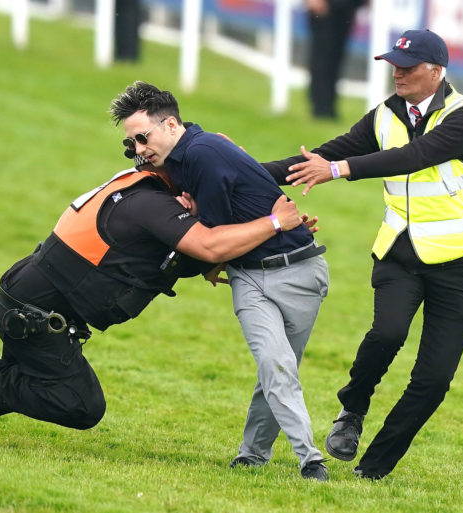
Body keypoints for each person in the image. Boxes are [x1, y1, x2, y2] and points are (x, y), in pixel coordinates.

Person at [0, 155, 310, 436]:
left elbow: (240, 179)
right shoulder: (152, 206)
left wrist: (320, 164)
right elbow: (210, 247)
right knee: (80, 406)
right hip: (33, 313)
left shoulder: (150, 191)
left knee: (21, 386)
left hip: (30, 299)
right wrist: (276, 222)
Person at [262, 29, 463, 480]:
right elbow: (319, 157)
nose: (398, 73)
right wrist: (235, 169)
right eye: (394, 65)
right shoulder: (384, 115)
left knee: (432, 382)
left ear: (437, 71)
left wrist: (339, 170)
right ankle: (352, 410)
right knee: (387, 334)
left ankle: (371, 470)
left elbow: (415, 156)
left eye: (408, 67)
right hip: (399, 254)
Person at [109, 82, 331, 482]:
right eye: (130, 145)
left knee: (277, 370)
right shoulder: (184, 156)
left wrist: (215, 245)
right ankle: (311, 460)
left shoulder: (202, 153)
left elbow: (214, 237)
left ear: (172, 124)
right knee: (275, 364)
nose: (138, 151)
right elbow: (221, 226)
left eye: (143, 138)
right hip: (248, 278)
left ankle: (252, 456)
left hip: (300, 271)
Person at [306, 0, 364, 119]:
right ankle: (320, 108)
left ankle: (329, 107)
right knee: (322, 56)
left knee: (336, 57)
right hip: (325, 6)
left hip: (345, 5)